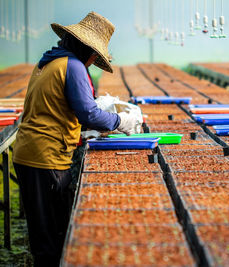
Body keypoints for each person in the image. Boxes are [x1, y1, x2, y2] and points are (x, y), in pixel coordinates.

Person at [13, 12, 139, 266]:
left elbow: (58, 108)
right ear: (88, 50)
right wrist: (119, 122)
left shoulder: (50, 61)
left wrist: (81, 128)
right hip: (45, 157)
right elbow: (88, 113)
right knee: (51, 237)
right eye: (94, 57)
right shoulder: (73, 67)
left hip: (31, 152)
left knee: (44, 232)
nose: (93, 62)